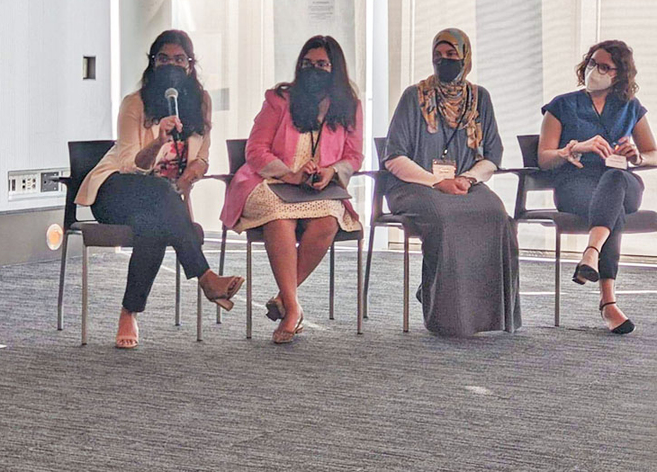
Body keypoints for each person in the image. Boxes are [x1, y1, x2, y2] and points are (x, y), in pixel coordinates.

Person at [76, 29, 244, 348]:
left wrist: (187, 178)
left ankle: (129, 314)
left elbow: (203, 159)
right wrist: (159, 141)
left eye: (179, 59)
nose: (171, 65)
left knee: (152, 226)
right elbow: (129, 164)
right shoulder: (135, 104)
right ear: (152, 64)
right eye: (163, 59)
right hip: (116, 191)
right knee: (162, 195)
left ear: (190, 65)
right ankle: (207, 279)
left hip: (160, 203)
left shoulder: (201, 103)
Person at [220, 35, 363, 344]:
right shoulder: (279, 99)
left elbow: (354, 155)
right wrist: (290, 175)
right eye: (307, 64)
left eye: (322, 65)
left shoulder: (348, 105)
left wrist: (331, 171)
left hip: (319, 185)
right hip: (270, 179)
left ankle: (285, 297)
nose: (314, 70)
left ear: (335, 68)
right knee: (278, 216)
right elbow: (255, 150)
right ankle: (293, 308)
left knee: (328, 220)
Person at [381, 28, 521, 336]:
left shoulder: (479, 98)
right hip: (414, 186)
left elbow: (492, 155)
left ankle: (488, 316)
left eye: (451, 55)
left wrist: (468, 179)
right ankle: (444, 314)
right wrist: (435, 182)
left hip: (463, 183)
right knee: (445, 217)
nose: (443, 61)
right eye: (438, 56)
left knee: (497, 215)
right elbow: (394, 157)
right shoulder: (414, 96)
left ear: (465, 58)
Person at [538, 40, 655, 334]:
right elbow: (544, 158)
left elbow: (653, 152)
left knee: (614, 181)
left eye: (604, 67)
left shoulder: (630, 107)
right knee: (611, 208)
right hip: (576, 184)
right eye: (592, 63)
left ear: (619, 74)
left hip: (621, 180)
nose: (595, 71)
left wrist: (637, 156)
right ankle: (608, 302)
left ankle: (591, 252)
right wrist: (575, 148)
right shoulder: (562, 105)